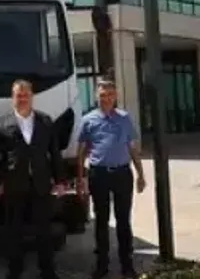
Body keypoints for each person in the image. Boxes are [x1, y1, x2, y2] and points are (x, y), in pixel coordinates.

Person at [0, 79, 65, 279]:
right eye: (18, 95)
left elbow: (54, 153)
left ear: (32, 97)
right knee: (14, 230)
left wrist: (60, 180)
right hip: (13, 184)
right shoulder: (1, 122)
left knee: (44, 230)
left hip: (41, 183)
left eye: (25, 95)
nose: (22, 99)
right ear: (12, 98)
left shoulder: (45, 121)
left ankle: (47, 270)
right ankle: (15, 270)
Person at [77, 79, 146, 279]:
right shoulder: (88, 120)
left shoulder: (124, 118)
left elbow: (132, 148)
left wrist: (141, 174)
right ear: (96, 96)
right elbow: (82, 152)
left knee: (123, 220)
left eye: (109, 95)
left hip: (122, 174)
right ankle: (102, 265)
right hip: (98, 175)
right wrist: (80, 179)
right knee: (101, 220)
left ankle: (127, 265)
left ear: (115, 96)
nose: (106, 99)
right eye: (102, 95)